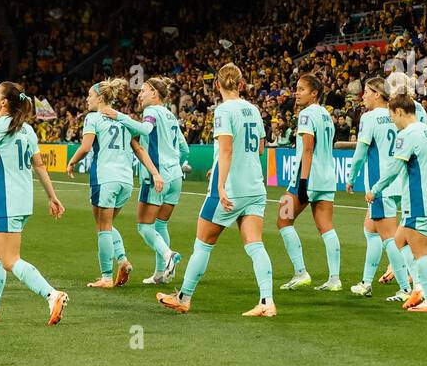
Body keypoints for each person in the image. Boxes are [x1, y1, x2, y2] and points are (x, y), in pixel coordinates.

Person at [157, 64, 276, 317]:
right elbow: (260, 150)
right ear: (241, 84)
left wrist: (220, 184)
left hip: (229, 190)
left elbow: (227, 150)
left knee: (203, 244)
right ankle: (267, 302)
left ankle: (184, 298)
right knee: (255, 245)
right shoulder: (254, 110)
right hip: (255, 187)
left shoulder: (223, 111)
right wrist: (217, 167)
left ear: (217, 85)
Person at [0, 82, 68, 325]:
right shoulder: (26, 129)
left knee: (9, 260)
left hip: (5, 201)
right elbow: (39, 166)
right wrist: (51, 196)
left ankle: (52, 295)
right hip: (23, 200)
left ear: (4, 102)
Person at [67, 78, 165, 289]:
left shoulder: (93, 118)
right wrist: (155, 173)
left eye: (90, 96)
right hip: (126, 181)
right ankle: (122, 260)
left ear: (100, 98)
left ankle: (106, 276)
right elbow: (139, 149)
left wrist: (72, 162)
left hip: (105, 178)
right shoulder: (123, 120)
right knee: (108, 225)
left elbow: (86, 147)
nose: (87, 99)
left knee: (103, 228)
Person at [365, 93, 427, 313]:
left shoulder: (407, 135)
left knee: (420, 251)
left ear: (399, 112)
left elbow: (394, 168)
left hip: (418, 201)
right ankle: (417, 288)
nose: (392, 121)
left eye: (391, 115)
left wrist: (375, 190)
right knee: (398, 242)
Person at [104, 77, 184, 285]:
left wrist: (118, 115)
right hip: (176, 176)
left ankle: (169, 256)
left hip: (157, 176)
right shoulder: (171, 116)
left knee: (144, 226)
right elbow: (184, 148)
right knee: (161, 224)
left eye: (144, 91)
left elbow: (146, 130)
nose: (139, 94)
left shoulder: (152, 112)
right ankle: (160, 274)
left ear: (155, 94)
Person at [277, 74, 342, 291]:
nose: (297, 92)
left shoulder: (306, 115)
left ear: (314, 93)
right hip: (326, 178)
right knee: (326, 227)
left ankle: (300, 272)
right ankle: (334, 279)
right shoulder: (326, 115)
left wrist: (302, 182)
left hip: (306, 178)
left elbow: (307, 149)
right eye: (296, 88)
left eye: (301, 89)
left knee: (283, 220)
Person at [346, 77, 409, 298]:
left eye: (366, 91)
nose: (362, 96)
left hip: (380, 186)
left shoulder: (369, 118)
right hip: (399, 182)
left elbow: (361, 152)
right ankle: (366, 282)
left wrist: (351, 176)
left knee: (389, 238)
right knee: (370, 230)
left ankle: (406, 288)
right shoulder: (396, 115)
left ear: (377, 94)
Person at [375, 70, 427, 300]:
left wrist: (376, 188)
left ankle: (415, 287)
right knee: (405, 235)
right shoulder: (418, 111)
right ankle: (410, 280)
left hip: (403, 175)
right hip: (408, 176)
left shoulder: (399, 111)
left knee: (402, 236)